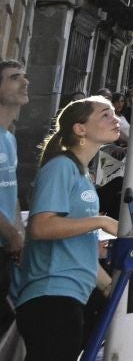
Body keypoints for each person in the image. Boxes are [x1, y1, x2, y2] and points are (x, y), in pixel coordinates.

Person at [16, 97, 126, 358]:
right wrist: (101, 221)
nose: (115, 119)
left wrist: (107, 285)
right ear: (80, 128)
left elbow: (77, 246)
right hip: (50, 297)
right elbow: (41, 227)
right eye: (105, 114)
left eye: (114, 113)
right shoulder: (60, 167)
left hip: (74, 294)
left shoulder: (83, 174)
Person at [0, 59, 27, 333]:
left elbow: (11, 192)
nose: (25, 81)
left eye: (24, 76)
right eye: (14, 77)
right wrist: (10, 234)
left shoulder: (9, 138)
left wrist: (19, 234)